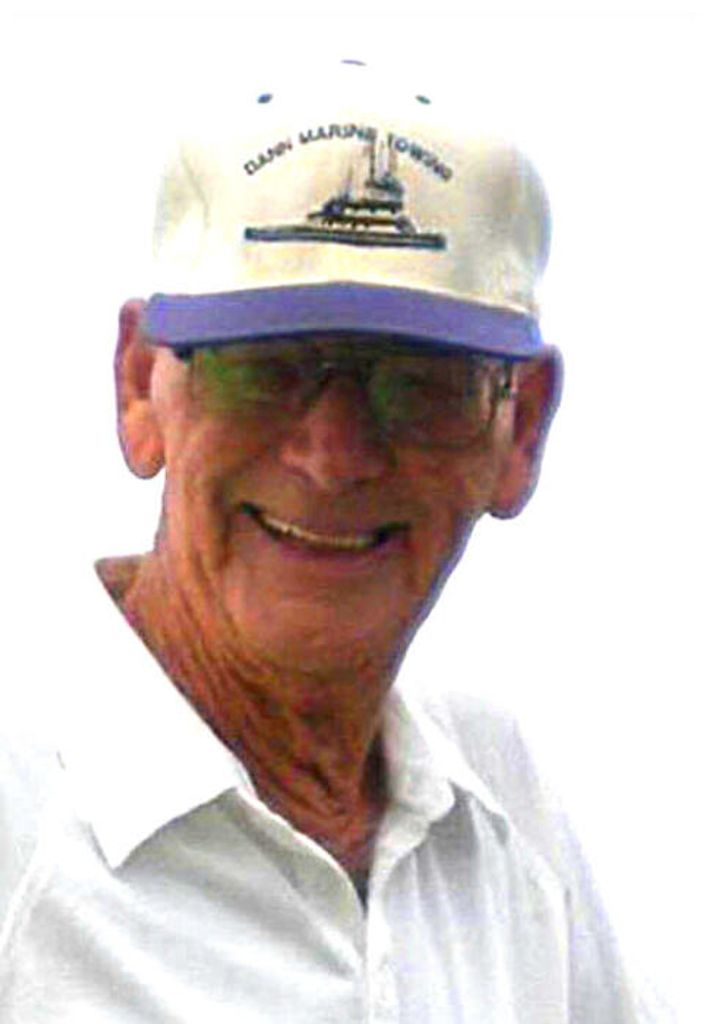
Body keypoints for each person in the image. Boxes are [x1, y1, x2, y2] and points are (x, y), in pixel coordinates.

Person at [0, 59, 645, 1022]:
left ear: (520, 431)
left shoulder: (499, 802)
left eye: (419, 384)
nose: (333, 456)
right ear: (140, 388)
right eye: (261, 368)